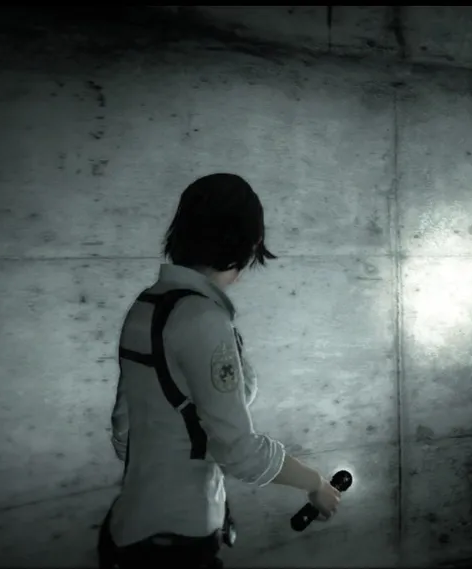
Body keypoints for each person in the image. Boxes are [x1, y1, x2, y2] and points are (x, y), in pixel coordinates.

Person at [98, 173, 342, 569]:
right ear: (248, 242)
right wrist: (315, 483)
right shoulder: (203, 321)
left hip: (127, 528)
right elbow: (239, 453)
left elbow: (123, 430)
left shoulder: (147, 305)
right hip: (175, 544)